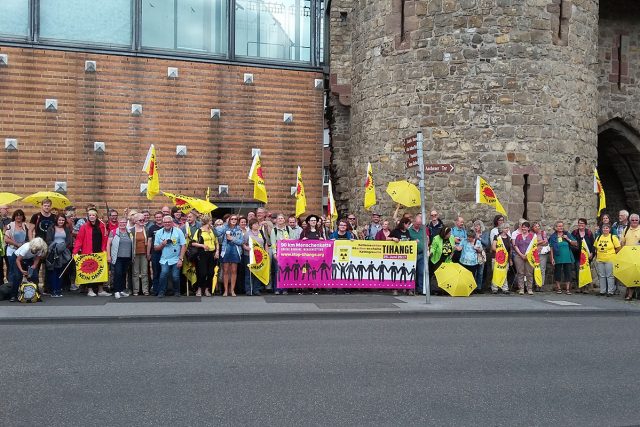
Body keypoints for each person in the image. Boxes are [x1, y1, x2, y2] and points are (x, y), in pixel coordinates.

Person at [73, 208, 110, 297]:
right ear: (88, 217)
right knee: (89, 270)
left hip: (99, 251)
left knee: (100, 270)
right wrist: (75, 251)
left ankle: (101, 290)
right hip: (88, 251)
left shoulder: (102, 225)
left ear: (96, 216)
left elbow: (105, 238)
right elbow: (79, 240)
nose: (92, 217)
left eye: (93, 215)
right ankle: (90, 290)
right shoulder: (84, 226)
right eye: (90, 215)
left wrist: (104, 249)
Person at [153, 215, 186, 298]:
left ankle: (177, 291)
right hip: (165, 259)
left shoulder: (178, 231)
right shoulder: (159, 232)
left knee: (175, 276)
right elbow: (156, 248)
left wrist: (180, 259)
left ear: (172, 223)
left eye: (169, 222)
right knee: (163, 274)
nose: (167, 223)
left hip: (176, 258)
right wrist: (162, 244)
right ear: (163, 223)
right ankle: (161, 291)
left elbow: (183, 245)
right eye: (165, 222)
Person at [215, 215, 244, 297]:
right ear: (229, 220)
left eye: (235, 219)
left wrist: (232, 238)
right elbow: (216, 233)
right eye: (232, 219)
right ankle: (225, 290)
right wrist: (218, 226)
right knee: (225, 271)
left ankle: (232, 290)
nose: (234, 220)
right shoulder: (225, 227)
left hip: (235, 251)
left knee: (234, 271)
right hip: (226, 251)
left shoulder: (239, 229)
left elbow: (241, 241)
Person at [44, 215, 73, 297]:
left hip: (63, 252)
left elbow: (68, 240)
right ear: (56, 220)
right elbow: (48, 240)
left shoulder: (66, 229)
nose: (61, 222)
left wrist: (62, 247)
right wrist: (56, 247)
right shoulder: (51, 228)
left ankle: (58, 289)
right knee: (53, 271)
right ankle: (53, 290)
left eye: (63, 220)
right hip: (53, 251)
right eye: (59, 220)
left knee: (61, 271)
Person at [191, 215, 219, 297]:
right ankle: (199, 289)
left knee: (211, 272)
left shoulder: (212, 231)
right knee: (202, 273)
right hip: (202, 254)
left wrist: (217, 251)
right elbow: (193, 243)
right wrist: (202, 245)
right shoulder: (199, 231)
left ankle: (207, 289)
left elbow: (216, 242)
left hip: (211, 254)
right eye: (210, 221)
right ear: (207, 222)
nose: (212, 222)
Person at [4, 210, 29, 298]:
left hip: (22, 252)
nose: (19, 217)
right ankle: (11, 291)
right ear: (14, 216)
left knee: (20, 271)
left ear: (23, 216)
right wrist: (17, 244)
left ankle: (18, 289)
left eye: (20, 215)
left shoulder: (25, 225)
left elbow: (28, 238)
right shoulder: (10, 225)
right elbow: (6, 239)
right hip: (12, 250)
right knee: (12, 271)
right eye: (17, 215)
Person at [549, 221, 578, 295]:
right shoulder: (553, 236)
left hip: (567, 257)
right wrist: (552, 258)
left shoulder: (567, 234)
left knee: (568, 272)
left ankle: (567, 289)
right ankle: (558, 288)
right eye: (559, 226)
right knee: (557, 272)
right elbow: (551, 248)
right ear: (555, 227)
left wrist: (568, 238)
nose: (560, 227)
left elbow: (575, 243)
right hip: (557, 257)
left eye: (561, 226)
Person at [106, 217, 133, 299]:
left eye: (124, 222)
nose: (122, 224)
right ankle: (116, 291)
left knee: (124, 274)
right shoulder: (113, 232)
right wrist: (108, 256)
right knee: (118, 273)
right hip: (117, 257)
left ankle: (121, 290)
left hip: (127, 257)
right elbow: (108, 244)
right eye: (121, 222)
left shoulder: (130, 232)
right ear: (118, 223)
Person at [594, 223, 621, 297]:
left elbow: (618, 247)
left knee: (610, 276)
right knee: (601, 275)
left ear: (609, 229)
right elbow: (596, 247)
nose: (605, 229)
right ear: (601, 229)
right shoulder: (599, 237)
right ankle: (602, 291)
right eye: (604, 228)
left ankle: (610, 291)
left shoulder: (613, 237)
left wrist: (613, 254)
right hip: (600, 259)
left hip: (610, 259)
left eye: (607, 228)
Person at [270, 214, 293, 295]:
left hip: (287, 253)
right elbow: (273, 243)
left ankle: (284, 289)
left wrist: (287, 241)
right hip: (278, 253)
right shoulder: (274, 230)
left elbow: (293, 240)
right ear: (276, 220)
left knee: (286, 271)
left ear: (284, 220)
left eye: (282, 218)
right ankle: (277, 288)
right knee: (277, 271)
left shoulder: (288, 229)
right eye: (278, 218)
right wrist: (274, 253)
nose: (280, 220)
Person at [570, 218, 595, 294]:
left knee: (586, 271)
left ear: (585, 224)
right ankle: (579, 286)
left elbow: (593, 244)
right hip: (577, 255)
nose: (581, 225)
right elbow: (571, 242)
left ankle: (586, 287)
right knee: (578, 271)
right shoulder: (574, 233)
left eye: (582, 223)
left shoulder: (589, 233)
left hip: (587, 256)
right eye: (579, 223)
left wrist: (592, 253)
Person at [243, 218, 267, 296]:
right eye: (255, 224)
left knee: (258, 272)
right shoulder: (247, 233)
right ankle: (249, 290)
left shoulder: (261, 232)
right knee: (249, 273)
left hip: (260, 256)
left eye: (257, 224)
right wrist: (247, 248)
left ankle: (256, 289)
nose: (256, 225)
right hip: (249, 255)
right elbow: (243, 244)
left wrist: (266, 252)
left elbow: (265, 243)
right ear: (251, 225)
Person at [429, 226, 455, 294]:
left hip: (447, 260)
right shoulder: (436, 238)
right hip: (438, 259)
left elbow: (453, 247)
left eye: (450, 233)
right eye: (448, 234)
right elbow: (433, 248)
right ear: (444, 233)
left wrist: (453, 252)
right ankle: (436, 290)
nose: (450, 235)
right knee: (437, 275)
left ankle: (444, 290)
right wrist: (431, 252)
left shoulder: (452, 238)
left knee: (445, 275)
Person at [512, 221, 535, 295]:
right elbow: (515, 246)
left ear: (528, 228)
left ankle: (529, 289)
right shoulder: (518, 236)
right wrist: (521, 254)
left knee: (529, 273)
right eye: (523, 227)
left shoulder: (532, 236)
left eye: (525, 227)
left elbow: (534, 246)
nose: (523, 228)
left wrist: (528, 255)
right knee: (520, 273)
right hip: (519, 256)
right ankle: (521, 288)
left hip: (529, 256)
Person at [621, 213, 640, 301]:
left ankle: (630, 294)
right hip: (628, 256)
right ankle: (629, 291)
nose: (634, 222)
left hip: (638, 256)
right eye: (633, 220)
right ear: (630, 221)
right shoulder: (626, 229)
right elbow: (622, 242)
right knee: (629, 274)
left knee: (636, 275)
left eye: (636, 220)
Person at [408, 214, 428, 295]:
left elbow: (426, 239)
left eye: (420, 224)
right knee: (412, 272)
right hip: (413, 254)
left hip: (421, 253)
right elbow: (406, 242)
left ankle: (420, 289)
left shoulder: (423, 229)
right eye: (417, 224)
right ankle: (411, 288)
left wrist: (427, 248)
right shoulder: (409, 230)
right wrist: (413, 242)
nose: (418, 226)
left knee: (421, 272)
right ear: (413, 222)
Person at [131, 213, 150, 296]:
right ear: (135, 221)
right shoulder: (131, 230)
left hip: (144, 254)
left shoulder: (146, 229)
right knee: (135, 273)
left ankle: (145, 290)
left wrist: (148, 253)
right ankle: (136, 290)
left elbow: (149, 242)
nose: (142, 221)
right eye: (140, 220)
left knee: (144, 273)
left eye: (144, 220)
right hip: (135, 254)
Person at [491, 223, 512, 294]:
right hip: (497, 258)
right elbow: (493, 247)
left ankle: (505, 288)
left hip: (505, 259)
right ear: (502, 229)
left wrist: (510, 259)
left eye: (508, 228)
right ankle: (495, 288)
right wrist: (500, 252)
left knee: (504, 273)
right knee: (496, 272)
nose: (507, 229)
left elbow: (510, 250)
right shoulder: (496, 237)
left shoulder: (509, 238)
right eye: (506, 228)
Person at [147, 211, 164, 295]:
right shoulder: (152, 228)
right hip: (155, 253)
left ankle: (163, 289)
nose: (158, 218)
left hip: (165, 253)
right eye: (156, 217)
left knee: (164, 272)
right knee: (156, 272)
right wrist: (148, 253)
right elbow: (149, 241)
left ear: (162, 217)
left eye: (159, 217)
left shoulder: (166, 227)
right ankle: (156, 290)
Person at [472, 220, 490, 292]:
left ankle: (479, 287)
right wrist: (475, 237)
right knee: (474, 271)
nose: (476, 227)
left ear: (481, 226)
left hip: (481, 254)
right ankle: (473, 287)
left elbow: (486, 243)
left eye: (478, 226)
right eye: (475, 226)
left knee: (480, 271)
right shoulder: (472, 233)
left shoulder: (485, 233)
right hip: (473, 253)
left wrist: (479, 238)